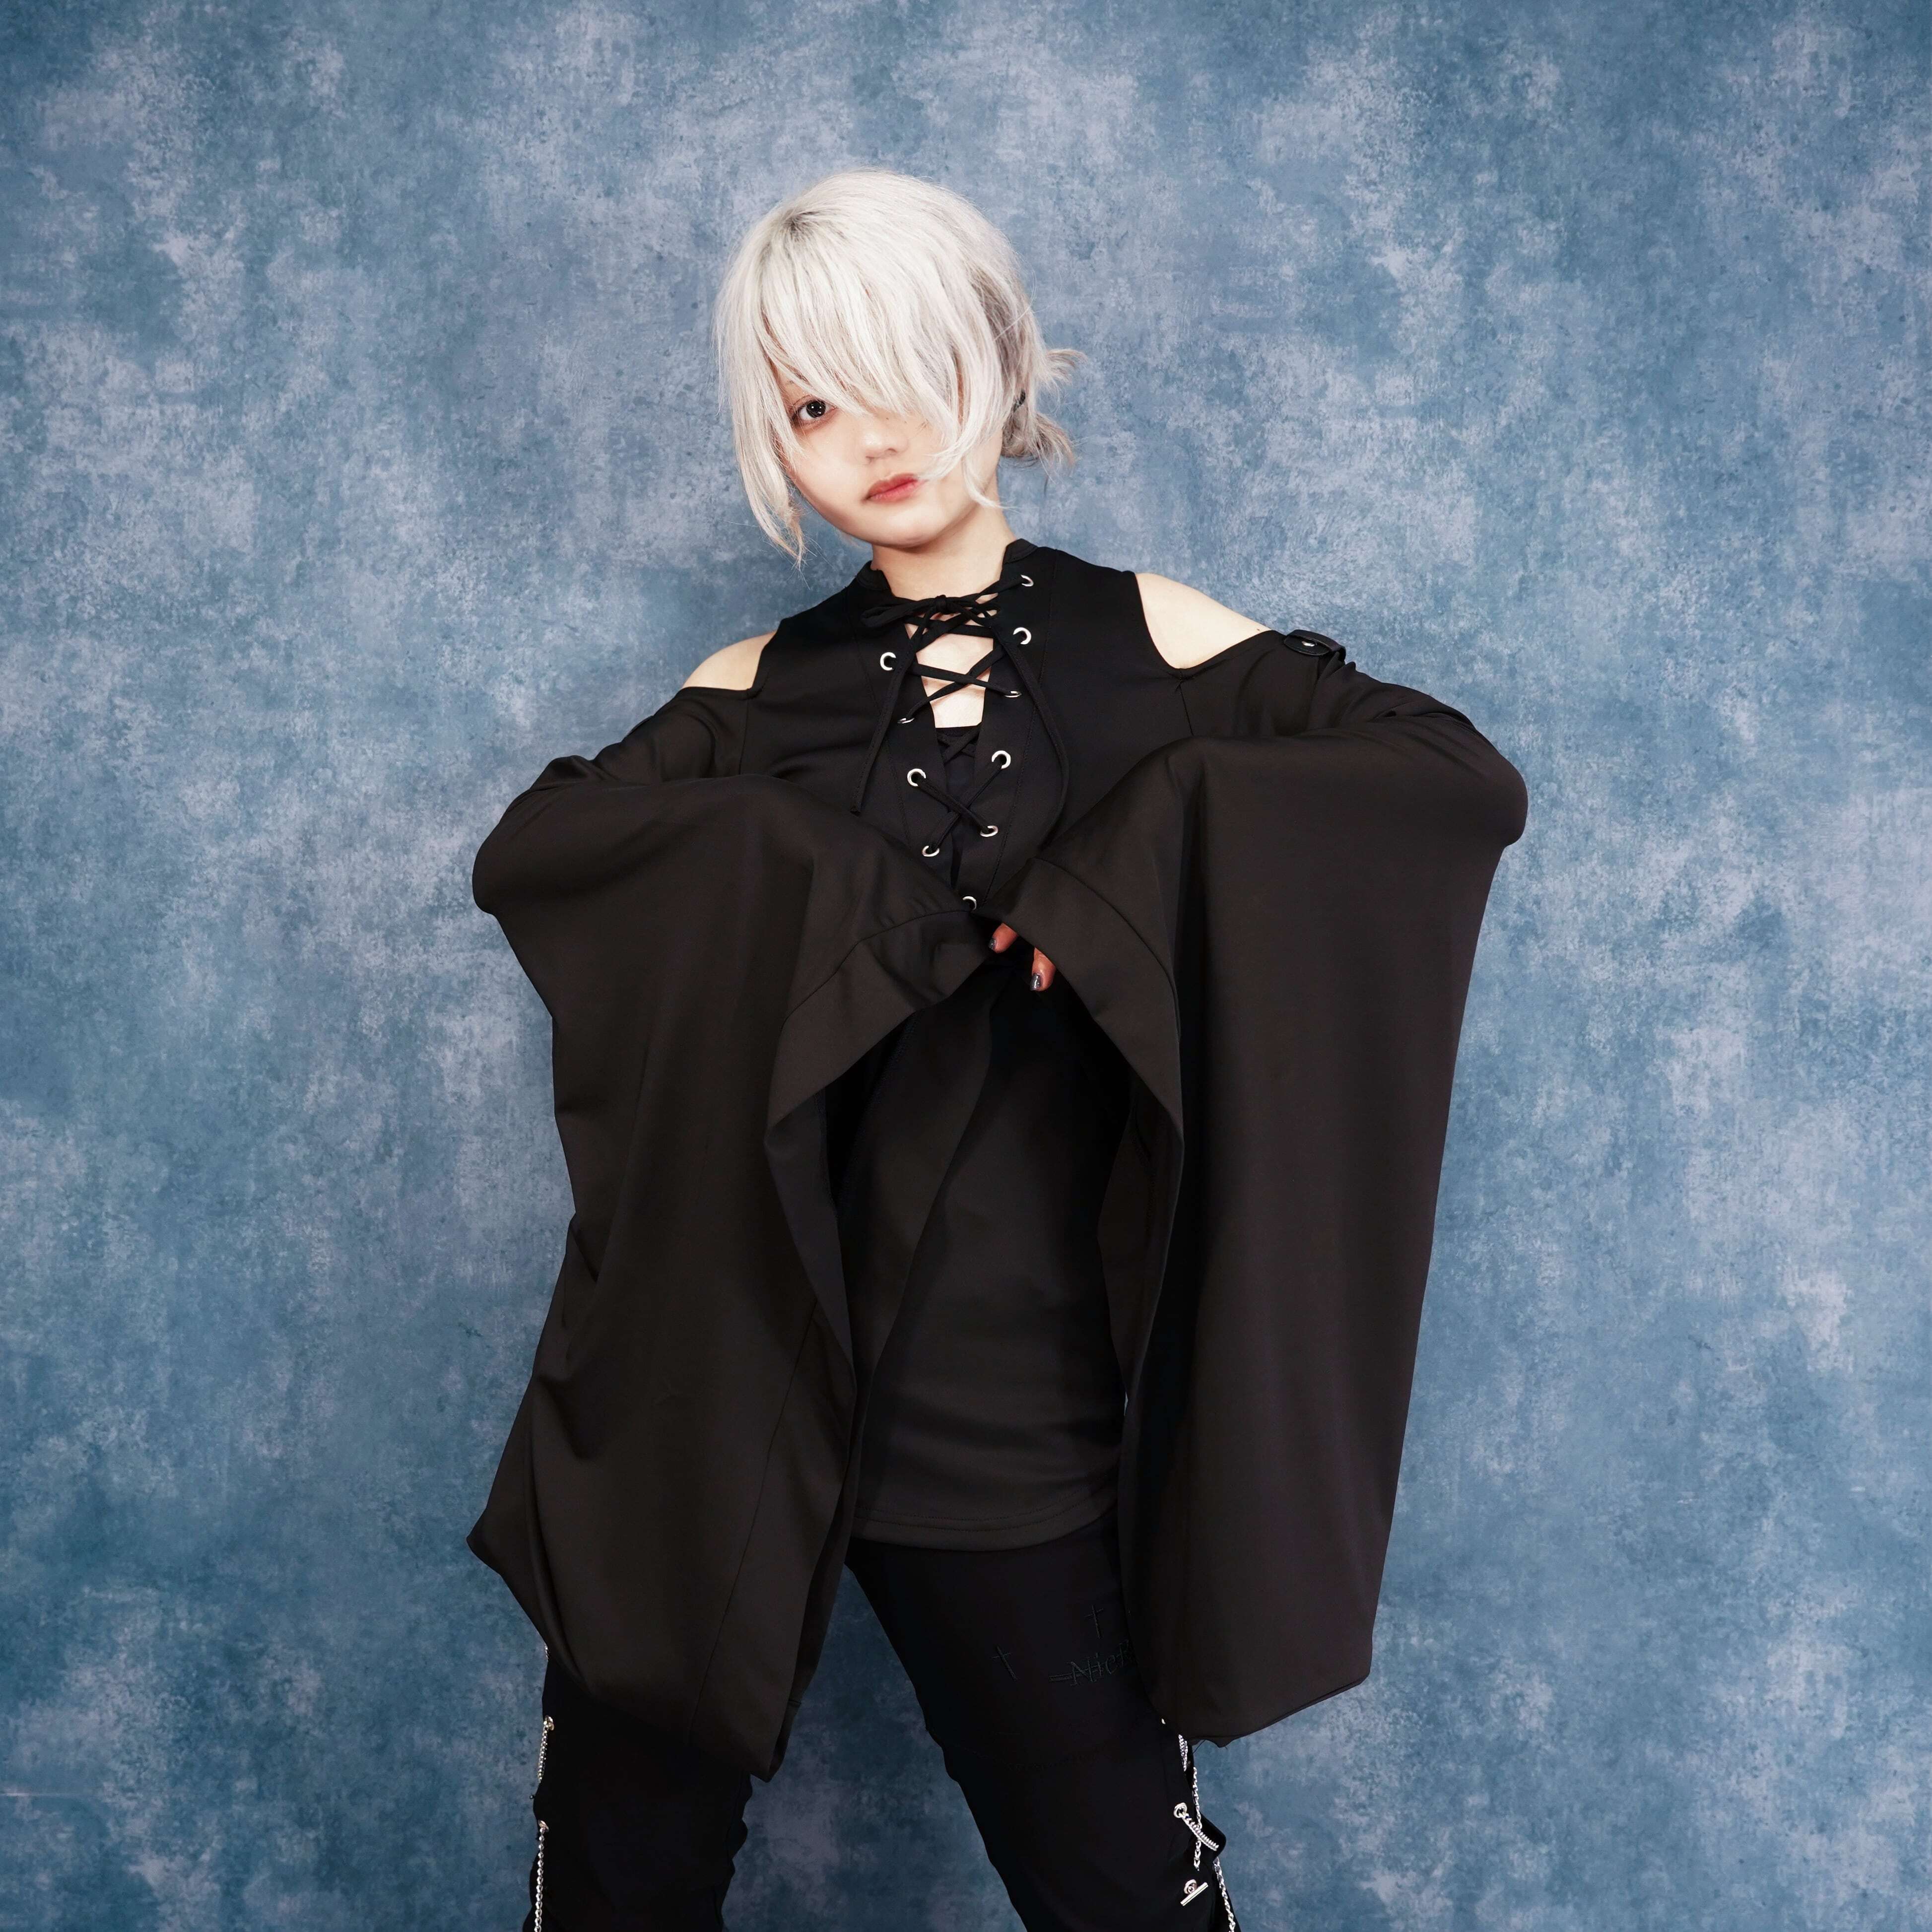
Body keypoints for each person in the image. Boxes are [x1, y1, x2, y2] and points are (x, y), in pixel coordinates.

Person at [466, 168, 1529, 1932]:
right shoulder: (749, 694)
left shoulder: (1165, 642)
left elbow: (1452, 783)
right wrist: (820, 894)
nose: (872, 439)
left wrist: (1135, 864)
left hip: (1011, 1410)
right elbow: (541, 855)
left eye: (905, 373)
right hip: (714, 1385)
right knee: (613, 1900)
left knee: (1122, 1894)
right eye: (814, 406)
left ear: (998, 357)